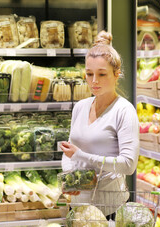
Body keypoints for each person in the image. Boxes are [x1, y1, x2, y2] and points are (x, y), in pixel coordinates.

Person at [60, 30, 139, 216]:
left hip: (110, 209)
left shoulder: (124, 111)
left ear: (116, 74)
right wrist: (70, 176)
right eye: (89, 74)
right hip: (78, 209)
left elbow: (128, 164)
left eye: (102, 74)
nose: (94, 81)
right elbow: (69, 150)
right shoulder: (80, 107)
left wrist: (82, 156)